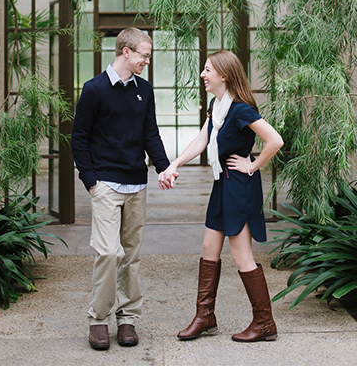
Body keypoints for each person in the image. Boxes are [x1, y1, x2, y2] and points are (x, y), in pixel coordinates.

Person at [158, 50, 283, 343]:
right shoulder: (218, 105)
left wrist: (251, 165)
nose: (203, 75)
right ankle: (205, 317)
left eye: (207, 70)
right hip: (221, 183)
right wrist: (173, 165)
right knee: (208, 248)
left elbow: (275, 140)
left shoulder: (240, 109)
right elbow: (204, 139)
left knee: (241, 256)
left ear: (224, 75)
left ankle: (265, 323)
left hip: (238, 185)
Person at [70, 27, 170, 351]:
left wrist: (164, 167)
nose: (147, 61)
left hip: (136, 184)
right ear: (125, 52)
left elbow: (150, 133)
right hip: (106, 186)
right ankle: (98, 319)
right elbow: (79, 138)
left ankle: (127, 317)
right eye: (144, 54)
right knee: (108, 253)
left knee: (131, 255)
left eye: (149, 56)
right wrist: (91, 182)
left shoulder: (145, 90)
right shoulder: (95, 89)